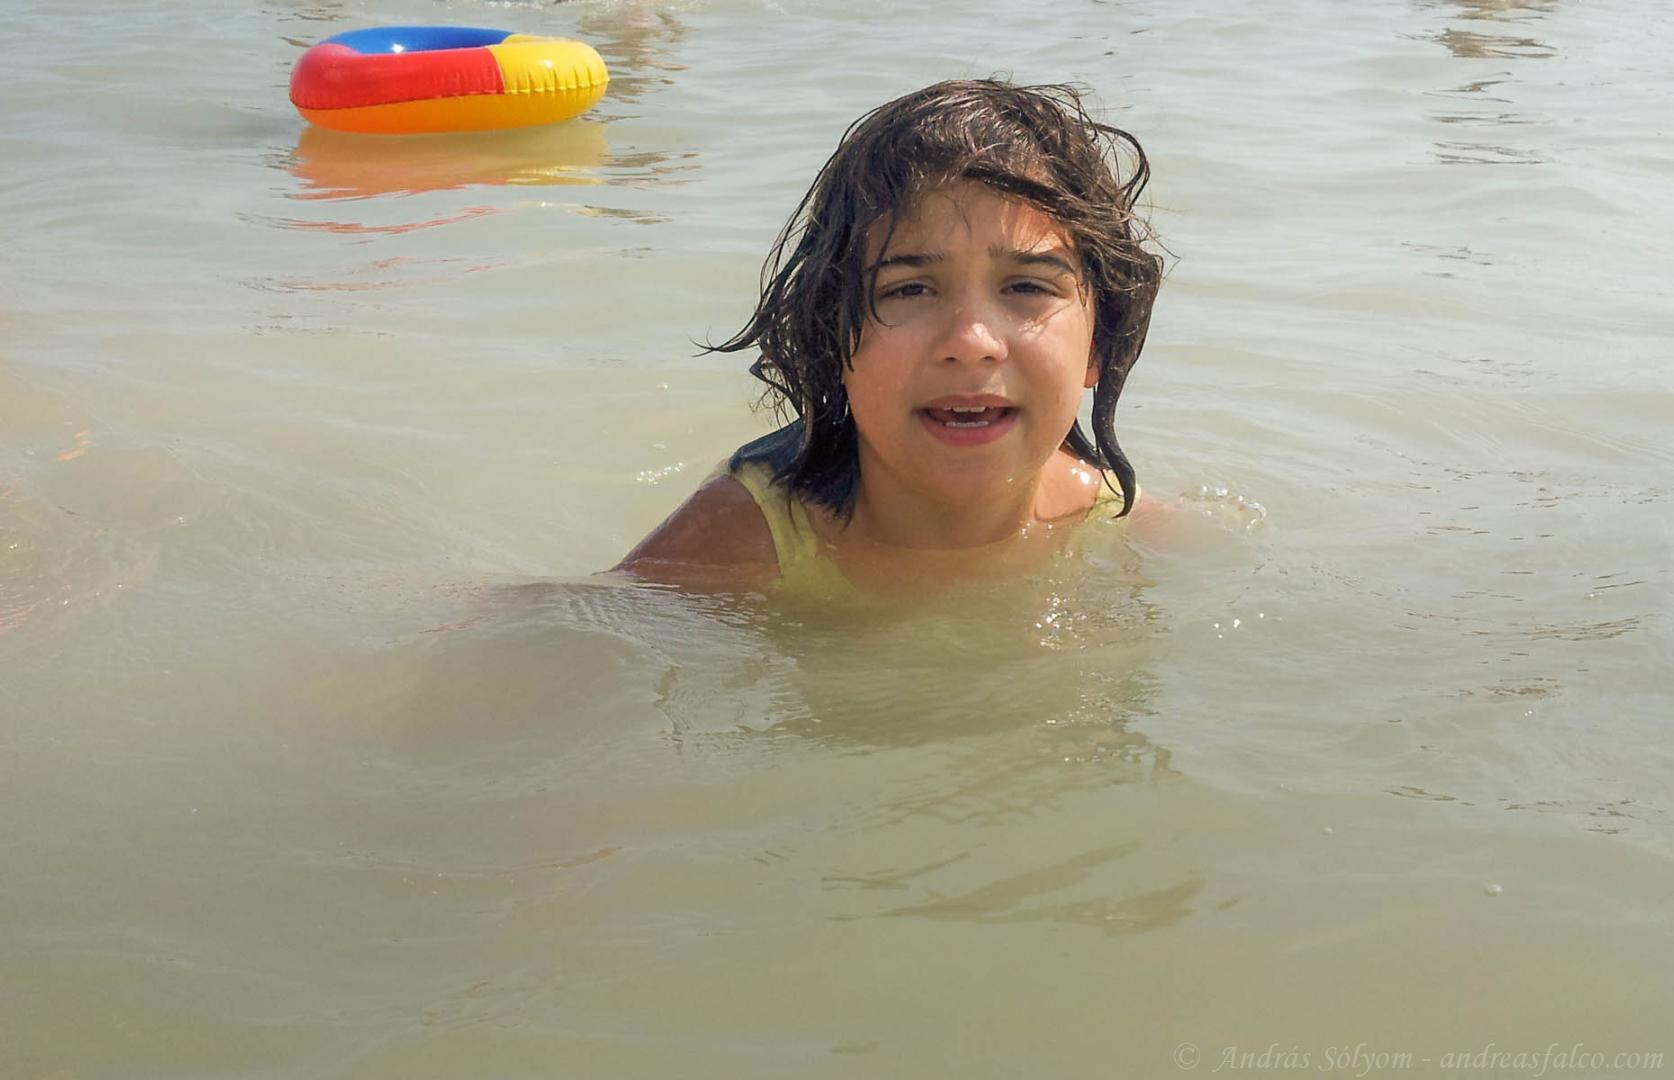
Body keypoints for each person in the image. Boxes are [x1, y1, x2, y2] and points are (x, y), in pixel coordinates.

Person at [617, 79, 1165, 593]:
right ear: (832, 338)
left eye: (1026, 286)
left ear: (1098, 344)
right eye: (909, 289)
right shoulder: (729, 548)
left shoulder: (1117, 520)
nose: (972, 342)